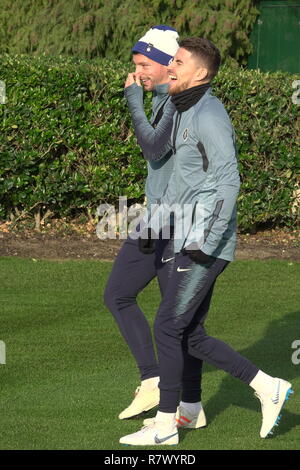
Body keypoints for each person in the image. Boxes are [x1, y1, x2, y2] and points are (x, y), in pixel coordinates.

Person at [120, 37, 293, 446]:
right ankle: (204, 407)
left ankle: (165, 424)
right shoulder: (182, 106)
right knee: (189, 331)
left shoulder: (209, 115)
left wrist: (204, 240)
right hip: (181, 234)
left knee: (168, 325)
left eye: (178, 62)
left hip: (202, 243)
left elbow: (228, 181)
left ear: (201, 73)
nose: (171, 67)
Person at [104, 26, 206, 429]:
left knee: (175, 318)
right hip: (160, 217)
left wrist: (133, 102)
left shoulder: (177, 102)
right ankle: (165, 388)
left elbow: (154, 147)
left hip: (174, 220)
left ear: (169, 66)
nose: (139, 73)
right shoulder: (167, 100)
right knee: (125, 297)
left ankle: (183, 401)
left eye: (146, 64)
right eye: (136, 66)